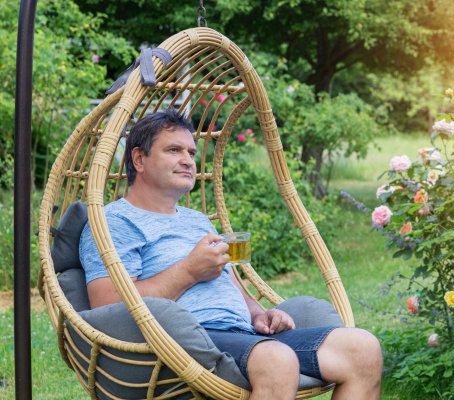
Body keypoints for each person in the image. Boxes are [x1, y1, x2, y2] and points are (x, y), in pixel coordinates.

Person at [79, 109, 382, 399]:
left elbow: (232, 285)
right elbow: (108, 306)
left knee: (362, 349)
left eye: (191, 153)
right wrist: (188, 271)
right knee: (278, 360)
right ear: (139, 159)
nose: (187, 160)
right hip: (184, 345)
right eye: (174, 150)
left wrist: (259, 314)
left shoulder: (197, 220)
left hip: (246, 337)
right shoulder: (113, 222)